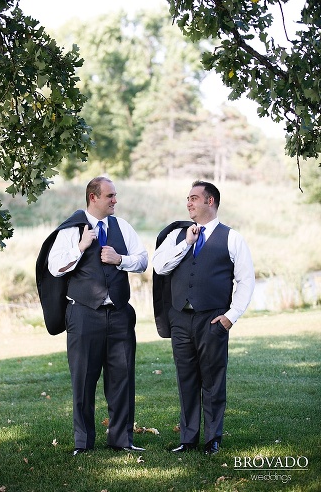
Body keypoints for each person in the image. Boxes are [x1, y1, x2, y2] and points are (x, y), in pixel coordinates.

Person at [46, 177, 148, 455]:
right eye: (110, 196)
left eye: (115, 195)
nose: (115, 200)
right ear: (93, 197)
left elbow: (142, 260)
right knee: (83, 380)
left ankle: (122, 439)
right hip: (83, 315)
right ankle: (83, 443)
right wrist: (80, 247)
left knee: (122, 378)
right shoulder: (72, 230)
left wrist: (120, 259)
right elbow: (55, 267)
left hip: (119, 315)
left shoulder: (122, 226)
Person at [153, 180, 255, 455]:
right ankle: (188, 439)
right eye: (187, 198)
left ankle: (212, 439)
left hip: (213, 320)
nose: (188, 203)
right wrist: (186, 243)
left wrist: (231, 316)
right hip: (180, 320)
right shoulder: (177, 235)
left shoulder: (232, 237)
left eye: (194, 198)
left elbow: (246, 280)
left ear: (210, 201)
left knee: (212, 380)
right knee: (185, 379)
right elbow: (160, 267)